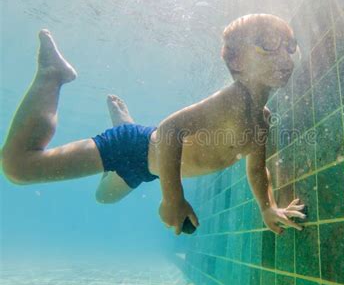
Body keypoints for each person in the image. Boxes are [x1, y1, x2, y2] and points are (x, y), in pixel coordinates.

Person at [1, 14, 306, 236]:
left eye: (289, 46)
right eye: (268, 44)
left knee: (103, 197)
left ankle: (126, 122)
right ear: (236, 60)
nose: (285, 56)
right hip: (132, 147)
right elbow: (171, 131)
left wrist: (268, 207)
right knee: (18, 167)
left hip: (150, 167)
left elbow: (256, 168)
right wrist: (173, 198)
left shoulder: (261, 119)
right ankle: (51, 74)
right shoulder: (231, 102)